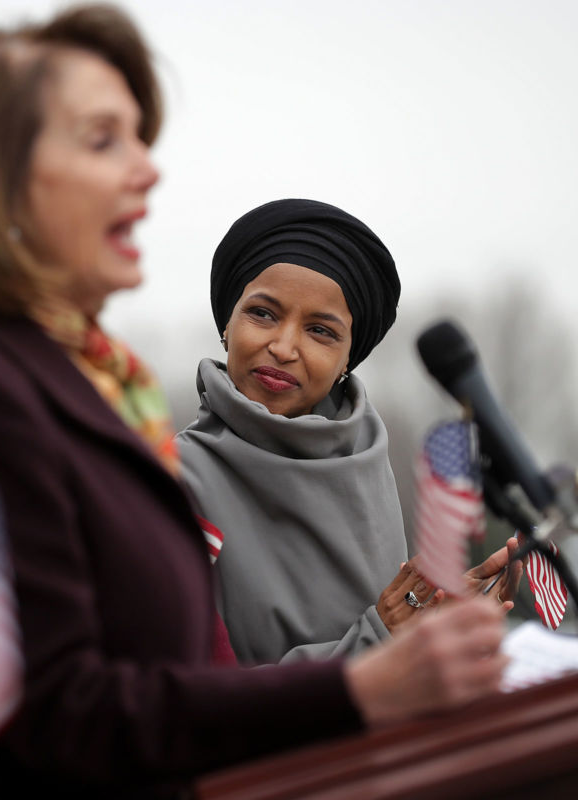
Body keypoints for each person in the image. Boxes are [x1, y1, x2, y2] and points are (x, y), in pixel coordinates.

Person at [0, 5, 509, 797]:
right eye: (103, 140)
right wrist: (363, 682)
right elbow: (55, 714)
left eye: (140, 138)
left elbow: (193, 669)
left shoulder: (88, 385)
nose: (148, 169)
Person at [177, 198, 521, 665]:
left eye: (320, 331)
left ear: (347, 360)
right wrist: (381, 638)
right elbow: (189, 699)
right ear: (227, 323)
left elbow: (394, 630)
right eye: (262, 314)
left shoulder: (364, 458)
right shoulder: (171, 479)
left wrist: (437, 623)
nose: (283, 346)